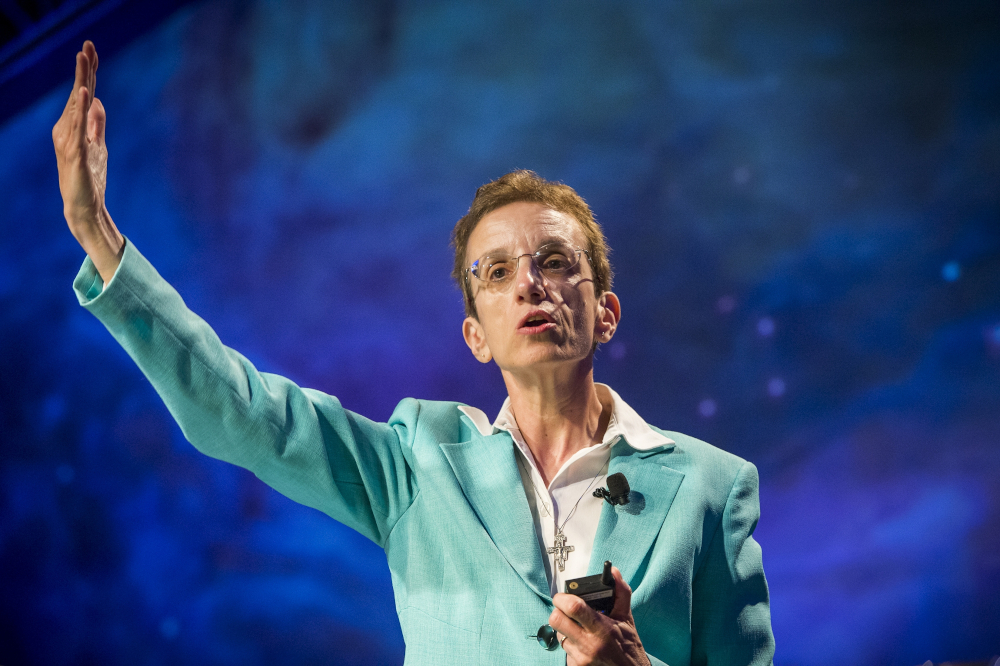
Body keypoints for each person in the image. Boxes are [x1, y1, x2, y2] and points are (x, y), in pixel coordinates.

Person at [54, 41, 775, 665]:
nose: (528, 281)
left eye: (554, 261)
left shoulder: (711, 488)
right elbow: (243, 413)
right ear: (476, 336)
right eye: (495, 272)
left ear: (605, 313)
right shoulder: (420, 462)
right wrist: (98, 236)